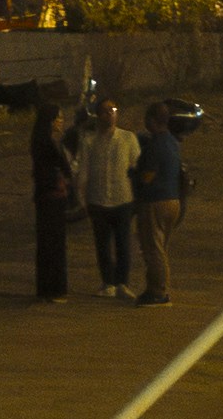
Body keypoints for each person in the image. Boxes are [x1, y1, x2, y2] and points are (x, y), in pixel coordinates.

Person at [75, 99, 142, 297]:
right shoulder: (89, 141)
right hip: (98, 200)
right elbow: (84, 171)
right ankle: (108, 283)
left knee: (123, 244)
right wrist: (81, 199)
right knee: (102, 246)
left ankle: (122, 283)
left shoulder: (128, 138)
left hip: (123, 199)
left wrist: (138, 197)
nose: (110, 114)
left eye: (113, 110)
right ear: (98, 115)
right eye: (105, 111)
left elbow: (136, 167)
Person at [130, 99, 189, 305]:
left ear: (152, 121)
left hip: (156, 200)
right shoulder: (173, 141)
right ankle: (156, 288)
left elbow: (148, 176)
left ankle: (158, 291)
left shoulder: (155, 144)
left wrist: (134, 176)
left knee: (153, 248)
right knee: (160, 247)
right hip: (172, 199)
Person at [28, 94, 75, 303]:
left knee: (47, 245)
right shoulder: (48, 143)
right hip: (52, 198)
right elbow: (63, 169)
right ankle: (56, 289)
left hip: (45, 197)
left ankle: (46, 287)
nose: (61, 122)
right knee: (55, 244)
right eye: (59, 118)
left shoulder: (40, 140)